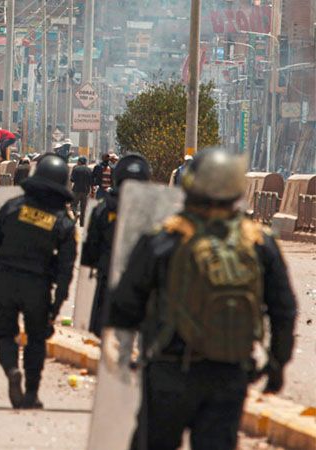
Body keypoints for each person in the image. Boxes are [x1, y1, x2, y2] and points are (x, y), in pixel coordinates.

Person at [105, 148, 297, 450]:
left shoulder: (165, 238)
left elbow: (124, 303)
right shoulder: (259, 242)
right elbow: (284, 310)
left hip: (169, 370)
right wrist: (277, 364)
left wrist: (129, 351)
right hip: (229, 373)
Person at [0, 154, 77, 409]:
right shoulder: (63, 223)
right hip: (38, 285)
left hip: (5, 279)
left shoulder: (12, 207)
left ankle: (12, 369)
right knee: (36, 339)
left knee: (3, 332)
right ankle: (32, 394)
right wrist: (56, 306)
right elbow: (66, 270)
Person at [81, 153, 151, 337]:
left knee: (101, 333)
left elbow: (89, 251)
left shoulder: (103, 209)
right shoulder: (150, 213)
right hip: (141, 284)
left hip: (107, 278)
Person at [70, 156, 94, 226]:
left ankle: (76, 213)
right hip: (86, 191)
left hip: (76, 190)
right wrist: (92, 190)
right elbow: (91, 181)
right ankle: (82, 223)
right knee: (83, 208)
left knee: (73, 205)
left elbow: (72, 179)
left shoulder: (76, 169)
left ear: (79, 162)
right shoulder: (89, 170)